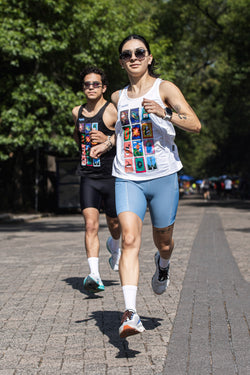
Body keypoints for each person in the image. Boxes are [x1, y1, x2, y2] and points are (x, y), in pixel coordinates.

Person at [91, 35, 201, 338]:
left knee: (163, 241)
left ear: (149, 57)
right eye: (127, 54)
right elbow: (124, 131)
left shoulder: (164, 88)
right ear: (121, 61)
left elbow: (195, 123)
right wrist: (109, 142)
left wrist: (164, 112)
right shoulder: (117, 97)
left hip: (163, 177)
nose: (133, 57)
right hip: (127, 176)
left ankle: (162, 263)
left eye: (139, 52)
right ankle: (130, 313)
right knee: (128, 240)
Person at [72, 66, 121, 294]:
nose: (91, 88)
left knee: (115, 226)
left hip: (111, 175)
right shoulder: (77, 111)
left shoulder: (112, 110)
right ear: (83, 88)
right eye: (87, 84)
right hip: (88, 176)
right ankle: (94, 274)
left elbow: (126, 137)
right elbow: (78, 137)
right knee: (90, 224)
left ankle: (115, 245)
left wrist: (107, 139)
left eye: (95, 84)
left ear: (103, 87)